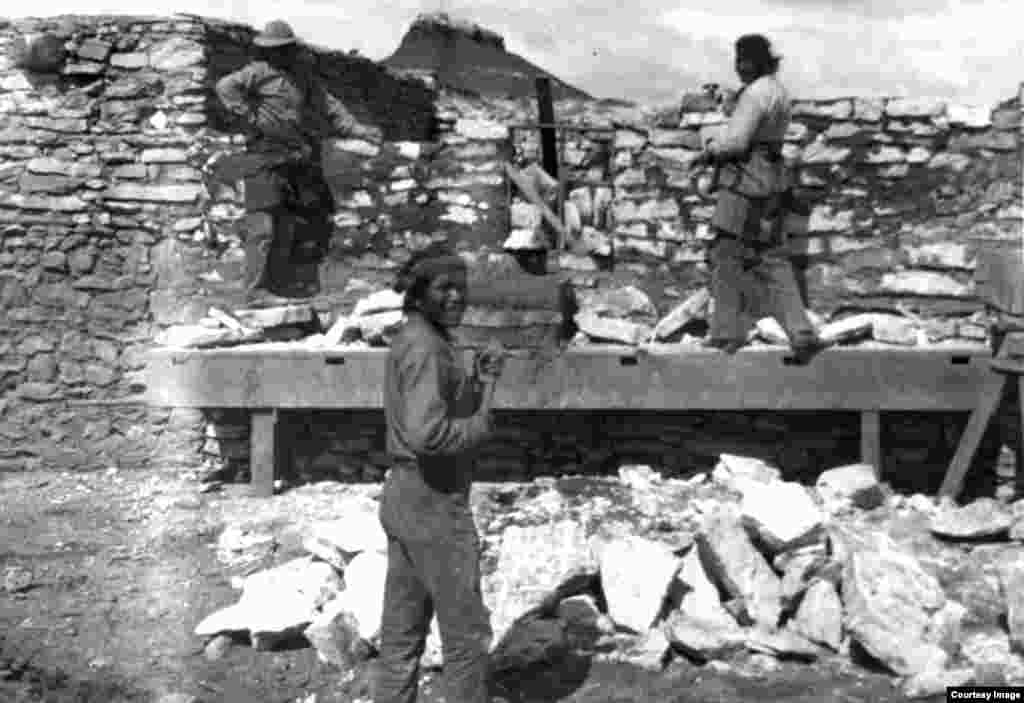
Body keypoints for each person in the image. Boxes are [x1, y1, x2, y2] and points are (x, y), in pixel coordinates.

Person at [374, 244, 505, 703]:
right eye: (444, 288)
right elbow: (428, 434)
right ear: (418, 292)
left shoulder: (414, 338)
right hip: (433, 500)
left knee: (402, 630)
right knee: (466, 637)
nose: (456, 298)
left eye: (461, 289)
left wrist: (479, 384)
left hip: (403, 497)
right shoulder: (428, 349)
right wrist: (482, 421)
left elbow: (422, 417)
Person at [215, 20, 382, 304]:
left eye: (283, 50)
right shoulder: (258, 72)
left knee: (290, 224)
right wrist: (247, 114)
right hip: (262, 157)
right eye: (274, 50)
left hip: (293, 158)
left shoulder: (303, 79)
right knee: (263, 226)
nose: (279, 55)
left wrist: (360, 130)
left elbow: (331, 108)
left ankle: (279, 288)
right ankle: (254, 292)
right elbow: (224, 87)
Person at [696, 34, 825, 362]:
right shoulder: (778, 92)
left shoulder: (754, 94)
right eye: (737, 61)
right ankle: (801, 331)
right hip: (773, 181)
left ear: (756, 62)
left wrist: (711, 149)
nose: (739, 67)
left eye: (743, 61)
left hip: (745, 182)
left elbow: (737, 143)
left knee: (726, 252)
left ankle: (725, 333)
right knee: (773, 255)